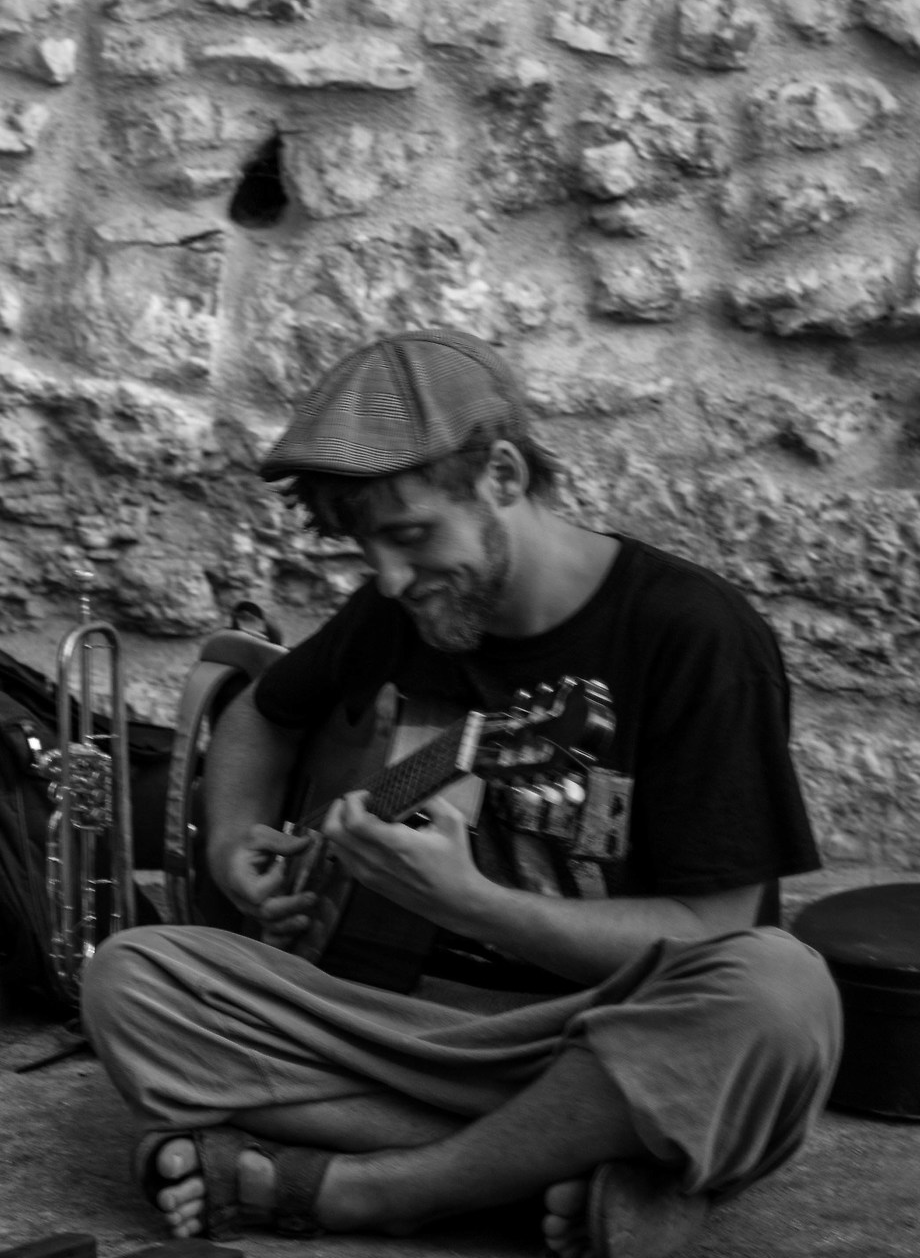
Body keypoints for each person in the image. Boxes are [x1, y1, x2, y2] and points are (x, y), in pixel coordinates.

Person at [83, 330, 840, 1258]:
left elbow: (717, 934)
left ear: (507, 477)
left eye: (409, 537)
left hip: (613, 1032)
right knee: (130, 978)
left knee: (780, 994)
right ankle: (575, 1170)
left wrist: (474, 903)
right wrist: (232, 846)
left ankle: (375, 1189)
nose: (392, 579)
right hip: (406, 1028)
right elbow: (260, 714)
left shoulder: (696, 638)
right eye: (368, 553)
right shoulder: (402, 611)